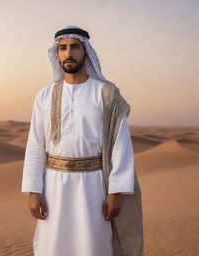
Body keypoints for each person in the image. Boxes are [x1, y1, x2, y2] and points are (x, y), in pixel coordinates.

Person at [21, 26, 143, 256]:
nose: (68, 54)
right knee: (52, 247)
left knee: (94, 246)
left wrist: (116, 192)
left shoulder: (106, 93)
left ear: (86, 52)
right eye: (63, 48)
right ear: (56, 54)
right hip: (53, 188)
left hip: (93, 186)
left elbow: (121, 145)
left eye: (75, 47)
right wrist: (33, 191)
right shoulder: (44, 96)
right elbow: (36, 145)